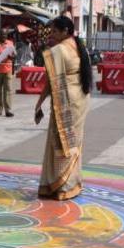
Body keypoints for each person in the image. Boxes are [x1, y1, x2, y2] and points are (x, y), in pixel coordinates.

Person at [33, 16, 91, 201]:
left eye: (54, 31)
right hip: (81, 98)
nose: (51, 34)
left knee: (60, 142)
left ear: (65, 31)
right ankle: (72, 183)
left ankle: (60, 185)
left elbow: (51, 82)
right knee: (74, 141)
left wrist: (39, 103)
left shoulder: (58, 50)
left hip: (66, 100)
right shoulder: (80, 46)